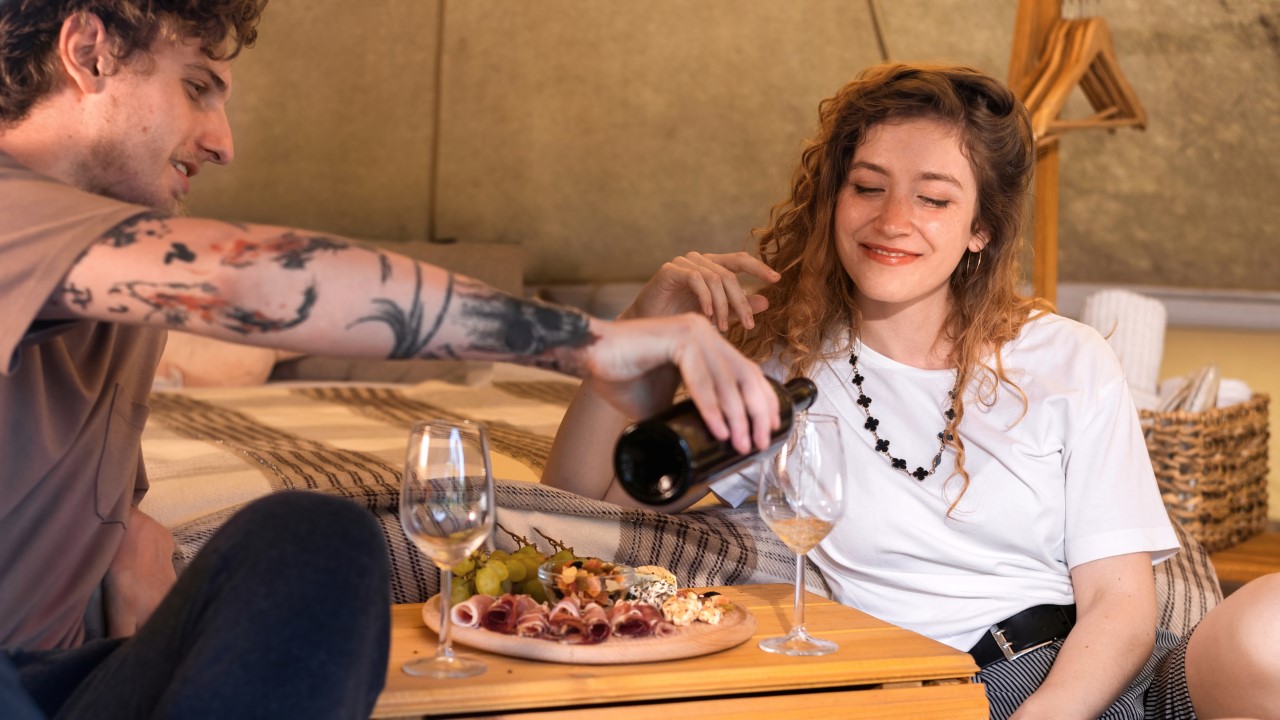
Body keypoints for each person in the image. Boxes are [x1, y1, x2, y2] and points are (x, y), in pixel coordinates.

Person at [0, 1, 780, 717]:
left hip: (65, 683)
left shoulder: (118, 299)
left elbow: (96, 506)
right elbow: (247, 275)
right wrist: (594, 343)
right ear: (88, 52)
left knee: (314, 532)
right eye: (199, 87)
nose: (223, 141)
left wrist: (136, 552)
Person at [543, 63, 1280, 719]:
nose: (892, 221)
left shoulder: (1068, 358)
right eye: (868, 187)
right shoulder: (785, 367)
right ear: (834, 199)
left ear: (980, 229)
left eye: (933, 199)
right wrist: (642, 321)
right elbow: (580, 506)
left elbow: (1121, 604)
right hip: (943, 693)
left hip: (1103, 683)